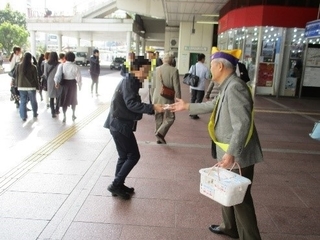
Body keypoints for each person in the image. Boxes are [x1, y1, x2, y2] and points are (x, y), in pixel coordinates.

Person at [170, 47, 263, 240]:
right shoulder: (228, 85)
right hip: (227, 150)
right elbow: (214, 105)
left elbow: (242, 123)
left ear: (220, 66)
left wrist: (231, 153)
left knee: (241, 199)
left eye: (212, 66)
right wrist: (187, 106)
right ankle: (230, 226)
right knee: (227, 190)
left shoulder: (235, 86)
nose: (210, 70)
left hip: (237, 154)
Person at [103, 54, 163, 200]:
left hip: (117, 124)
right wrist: (152, 107)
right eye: (146, 70)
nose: (147, 74)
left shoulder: (131, 81)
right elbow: (131, 104)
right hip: (120, 125)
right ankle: (116, 184)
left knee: (124, 156)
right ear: (137, 69)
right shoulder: (129, 81)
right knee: (133, 156)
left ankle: (118, 185)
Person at [152, 52, 181, 144]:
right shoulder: (174, 70)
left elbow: (152, 86)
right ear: (172, 60)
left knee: (158, 116)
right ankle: (160, 133)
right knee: (170, 117)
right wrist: (179, 99)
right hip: (167, 98)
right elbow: (177, 86)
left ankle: (158, 137)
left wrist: (152, 98)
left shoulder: (156, 69)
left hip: (156, 97)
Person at [54, 51, 82, 123]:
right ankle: (73, 114)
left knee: (64, 100)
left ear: (65, 58)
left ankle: (64, 116)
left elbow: (57, 75)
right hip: (72, 84)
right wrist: (79, 86)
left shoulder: (61, 65)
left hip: (64, 84)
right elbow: (79, 78)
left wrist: (56, 83)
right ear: (73, 58)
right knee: (73, 100)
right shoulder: (76, 67)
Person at [16, 52, 39, 121]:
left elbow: (17, 76)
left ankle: (23, 116)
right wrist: (37, 87)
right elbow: (35, 78)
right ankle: (35, 113)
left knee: (23, 101)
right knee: (33, 100)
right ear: (30, 59)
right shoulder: (33, 67)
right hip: (31, 87)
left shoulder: (18, 66)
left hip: (21, 86)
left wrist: (17, 85)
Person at [188, 53, 210, 119]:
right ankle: (195, 114)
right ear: (203, 59)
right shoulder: (205, 68)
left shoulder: (193, 66)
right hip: (200, 87)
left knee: (192, 99)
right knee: (199, 101)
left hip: (193, 86)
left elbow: (189, 74)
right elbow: (207, 77)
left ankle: (191, 113)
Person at [44, 52, 60, 118]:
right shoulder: (59, 64)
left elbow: (45, 74)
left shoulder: (46, 64)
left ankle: (52, 112)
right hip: (58, 81)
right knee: (58, 96)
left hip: (50, 81)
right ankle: (57, 110)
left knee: (51, 97)